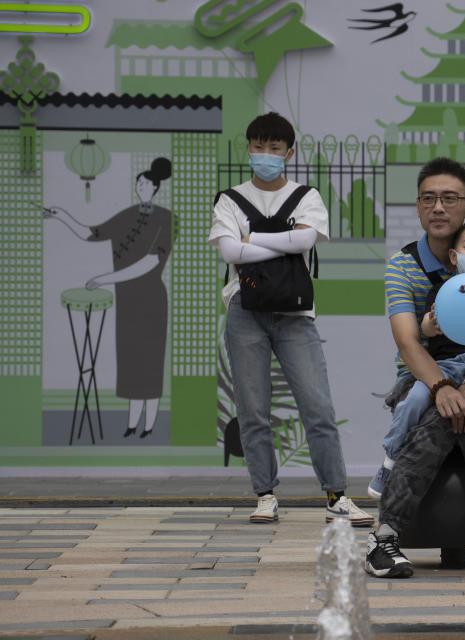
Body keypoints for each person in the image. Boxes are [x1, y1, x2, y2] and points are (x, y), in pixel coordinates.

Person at [207, 111, 373, 526]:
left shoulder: (306, 196)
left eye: (274, 149)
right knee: (252, 409)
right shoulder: (230, 198)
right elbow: (230, 253)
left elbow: (305, 239)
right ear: (248, 148)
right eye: (258, 147)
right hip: (245, 310)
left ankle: (337, 494)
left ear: (289, 152)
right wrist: (282, 243)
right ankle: (265, 494)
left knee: (317, 406)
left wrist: (253, 239)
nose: (265, 155)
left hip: (295, 313)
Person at [365, 157, 465, 580]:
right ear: (418, 207)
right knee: (449, 418)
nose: (439, 207)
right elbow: (407, 342)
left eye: (449, 199)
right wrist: (442, 389)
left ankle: (386, 537)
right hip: (419, 378)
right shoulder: (402, 265)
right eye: (429, 199)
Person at [366, 218, 465, 500]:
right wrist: (429, 324)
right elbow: (423, 333)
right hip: (442, 367)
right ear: (454, 256)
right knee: (413, 401)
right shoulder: (440, 291)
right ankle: (389, 462)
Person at [43, 157, 175, 440]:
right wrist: (62, 215)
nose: (140, 186)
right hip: (126, 300)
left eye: (144, 182)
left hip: (151, 300)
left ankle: (149, 423)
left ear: (155, 186)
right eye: (137, 182)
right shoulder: (127, 215)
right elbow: (92, 233)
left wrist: (102, 279)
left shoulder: (168, 219)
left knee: (150, 362)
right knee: (129, 360)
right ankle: (131, 422)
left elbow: (149, 263)